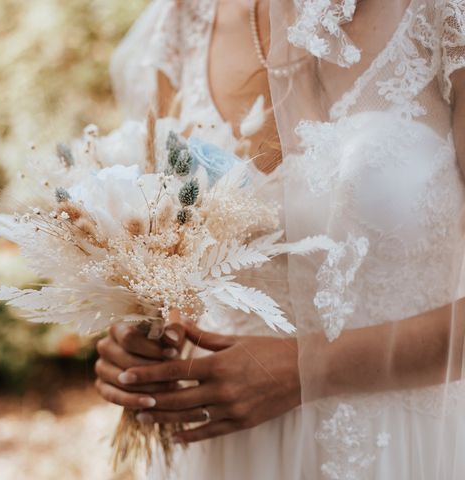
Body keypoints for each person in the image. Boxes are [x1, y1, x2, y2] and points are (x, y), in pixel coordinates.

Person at [95, 0, 465, 478]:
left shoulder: (444, 15)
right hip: (223, 449)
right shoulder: (183, 23)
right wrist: (144, 342)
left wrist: (306, 369)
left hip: (401, 447)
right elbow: (179, 277)